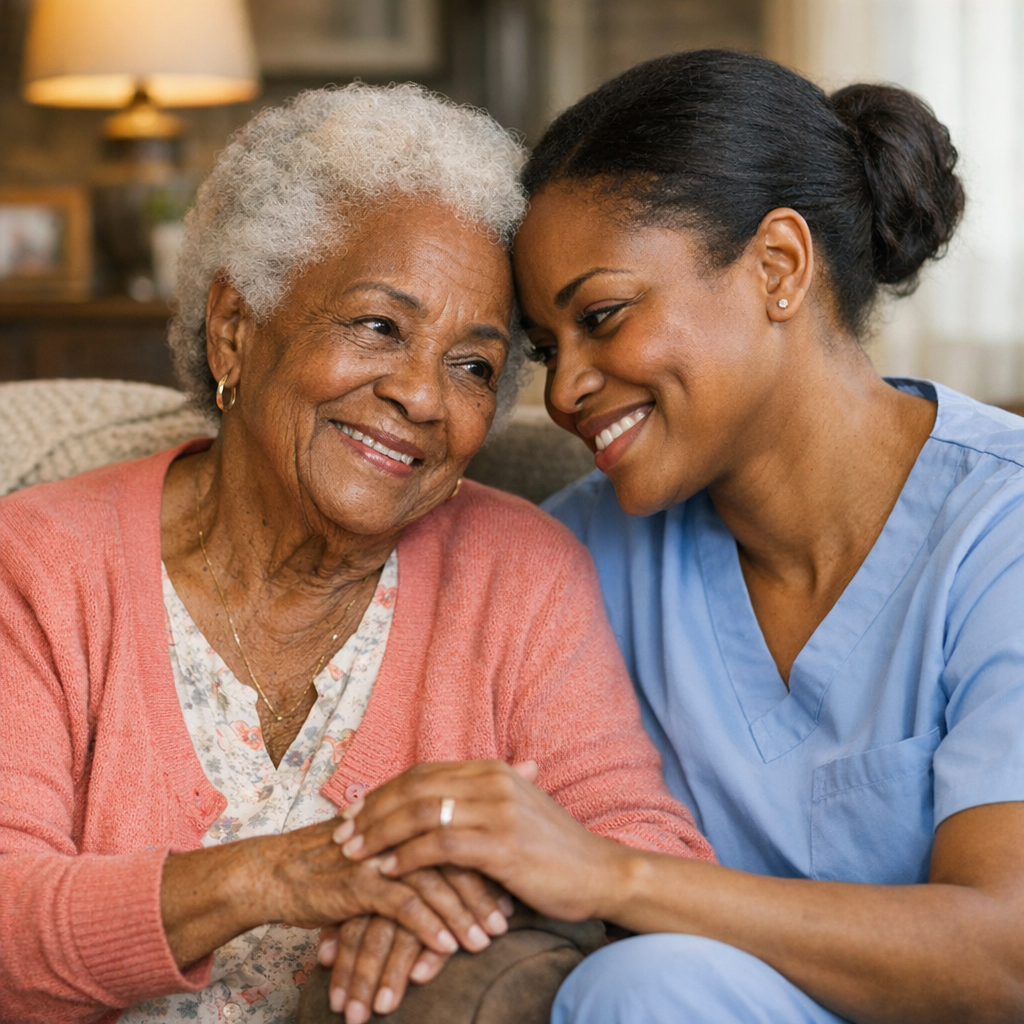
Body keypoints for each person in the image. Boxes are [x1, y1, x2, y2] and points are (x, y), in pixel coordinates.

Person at [333, 51, 1024, 1023]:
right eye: (544, 346)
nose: (565, 389)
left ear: (778, 267)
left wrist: (614, 876)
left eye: (602, 316)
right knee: (648, 985)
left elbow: (1004, 959)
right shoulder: (566, 553)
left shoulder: (1004, 530)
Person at [0, 84, 713, 1024]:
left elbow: (651, 864)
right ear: (235, 327)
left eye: (473, 366)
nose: (422, 396)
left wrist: (474, 895)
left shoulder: (519, 572)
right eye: (378, 325)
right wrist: (283, 876)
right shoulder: (41, 563)